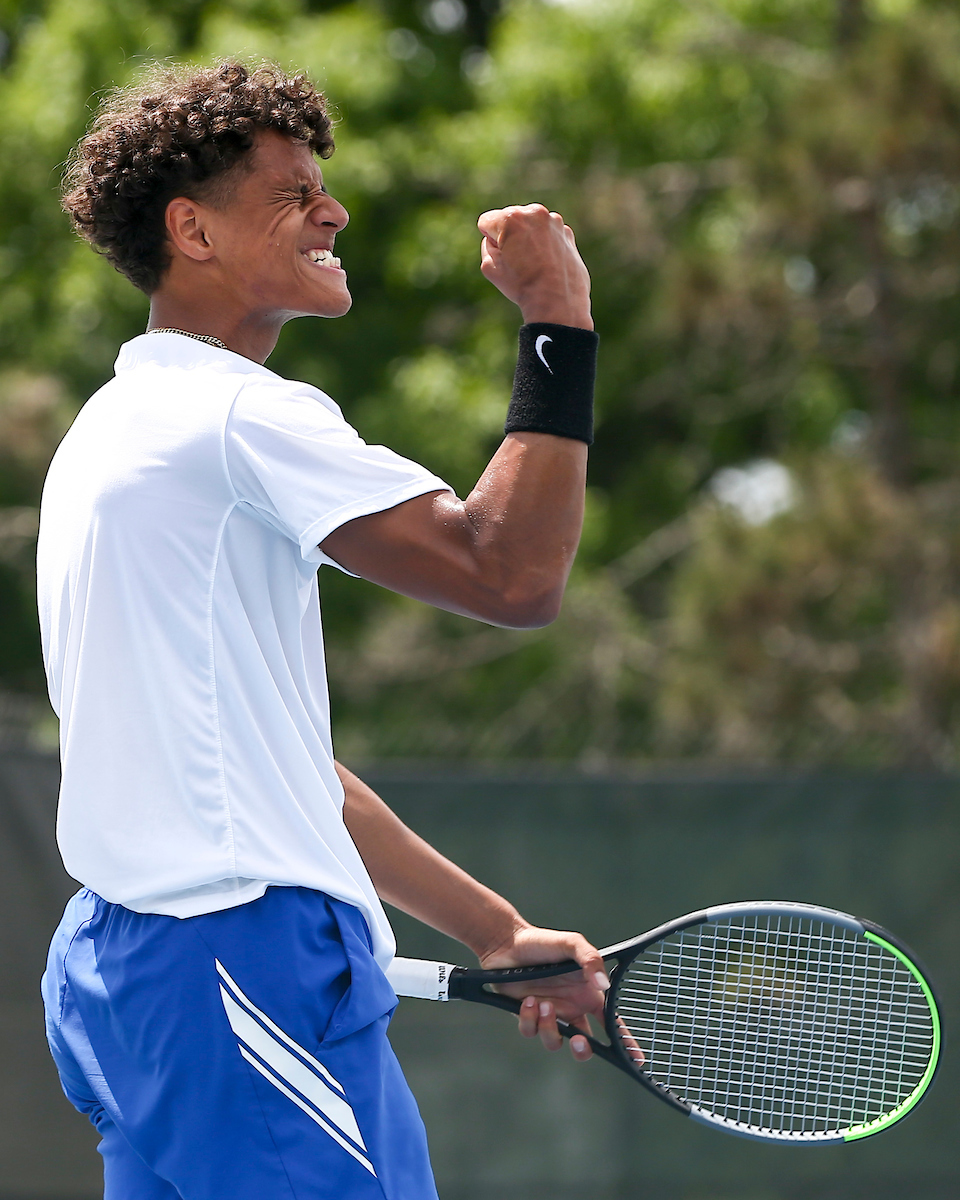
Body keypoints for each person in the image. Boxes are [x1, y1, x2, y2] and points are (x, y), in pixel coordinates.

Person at [37, 60, 605, 1200]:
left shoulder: (108, 432)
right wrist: (558, 321)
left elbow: (283, 773)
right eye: (292, 192)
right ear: (192, 231)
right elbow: (512, 572)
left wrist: (494, 929)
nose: (332, 210)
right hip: (233, 958)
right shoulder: (234, 415)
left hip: (120, 973)